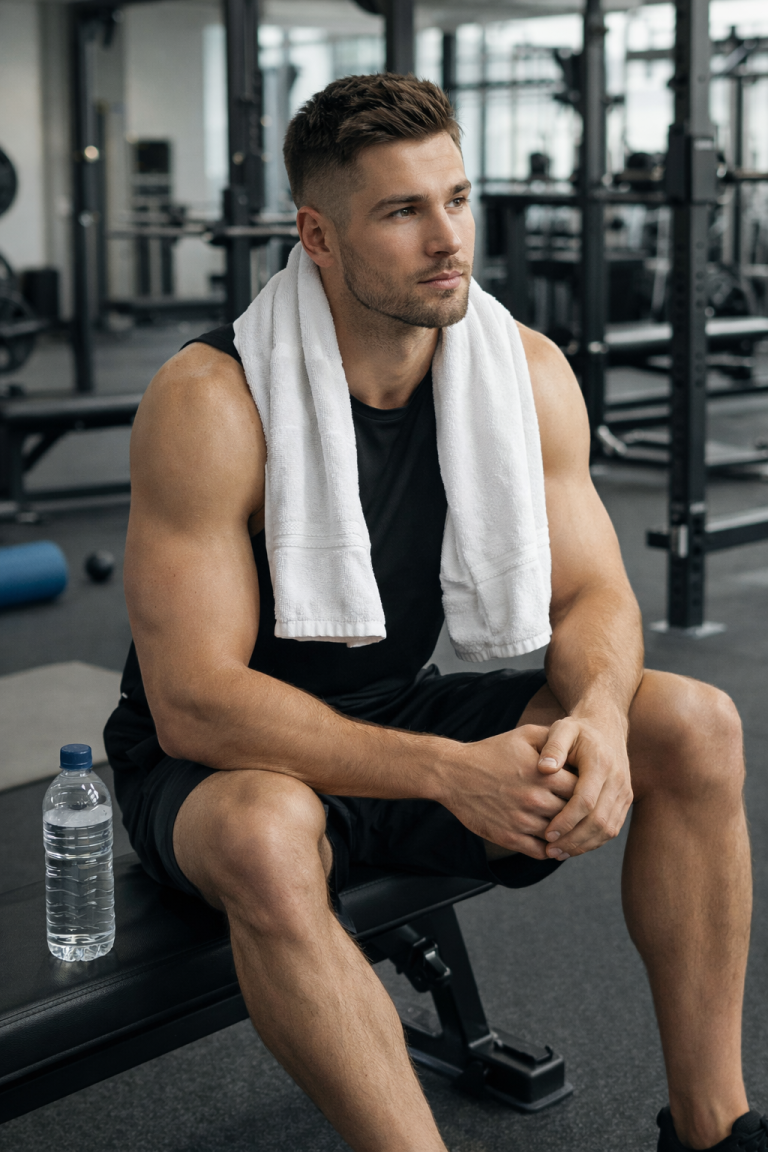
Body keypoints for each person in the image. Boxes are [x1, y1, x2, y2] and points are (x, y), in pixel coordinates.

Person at [104, 74, 762, 1152]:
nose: (447, 238)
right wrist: (455, 772)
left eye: (457, 200)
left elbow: (592, 594)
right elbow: (194, 707)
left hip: (393, 708)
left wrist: (597, 713)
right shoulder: (212, 402)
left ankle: (712, 1130)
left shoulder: (524, 373)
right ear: (317, 233)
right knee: (273, 834)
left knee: (693, 722)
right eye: (403, 211)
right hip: (220, 768)